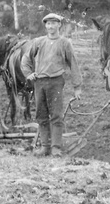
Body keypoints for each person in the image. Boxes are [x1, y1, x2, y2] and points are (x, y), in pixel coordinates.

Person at [21, 12, 83, 157]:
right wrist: (28, 73)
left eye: (53, 23)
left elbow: (73, 64)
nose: (51, 26)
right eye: (48, 24)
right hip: (39, 82)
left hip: (56, 82)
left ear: (59, 25)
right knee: (41, 115)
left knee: (56, 115)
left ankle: (56, 148)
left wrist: (77, 87)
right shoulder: (39, 42)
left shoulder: (65, 43)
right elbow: (26, 59)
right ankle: (45, 147)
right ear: (45, 26)